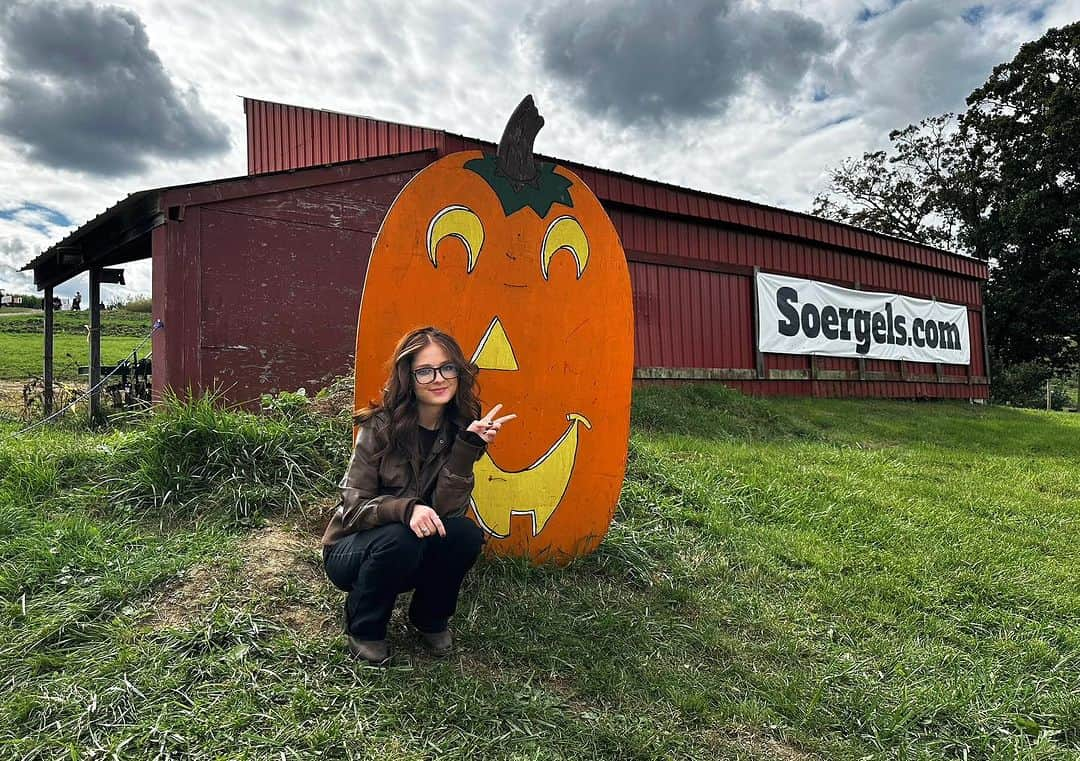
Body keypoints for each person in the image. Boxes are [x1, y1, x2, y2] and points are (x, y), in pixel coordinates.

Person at [322, 326, 516, 665]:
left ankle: (429, 618)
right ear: (408, 377)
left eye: (447, 367)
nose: (438, 378)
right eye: (425, 371)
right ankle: (364, 627)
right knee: (400, 535)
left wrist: (465, 450)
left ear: (459, 372)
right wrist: (406, 509)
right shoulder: (379, 427)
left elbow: (446, 513)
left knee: (465, 534)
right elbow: (352, 508)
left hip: (411, 549)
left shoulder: (459, 429)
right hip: (351, 551)